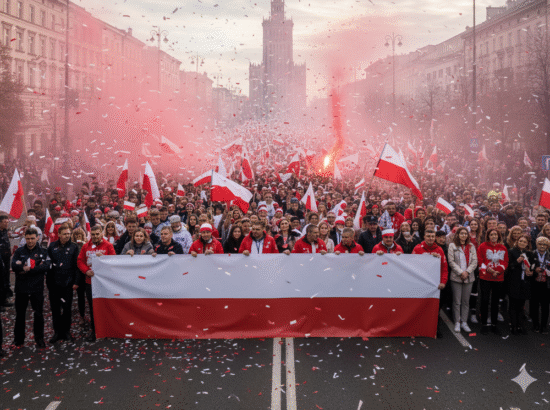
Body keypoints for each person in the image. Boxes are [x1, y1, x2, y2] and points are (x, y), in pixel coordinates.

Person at [12, 228, 51, 347]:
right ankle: (19, 339)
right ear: (25, 238)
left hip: (36, 288)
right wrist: (22, 268)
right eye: (28, 238)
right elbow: (14, 265)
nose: (30, 241)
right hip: (21, 288)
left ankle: (39, 339)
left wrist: (31, 269)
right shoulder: (19, 251)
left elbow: (47, 266)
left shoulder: (43, 251)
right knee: (20, 314)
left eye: (32, 238)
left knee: (38, 314)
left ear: (37, 238)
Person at [77, 225, 116, 342]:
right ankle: (95, 331)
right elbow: (80, 261)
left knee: (106, 306)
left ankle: (108, 330)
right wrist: (86, 271)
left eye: (97, 234)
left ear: (102, 234)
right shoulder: (85, 246)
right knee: (93, 307)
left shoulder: (108, 245)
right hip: (90, 282)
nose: (95, 236)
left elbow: (114, 261)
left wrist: (104, 258)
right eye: (93, 234)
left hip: (104, 282)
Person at [46, 224, 81, 343]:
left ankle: (66, 332)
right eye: (65, 234)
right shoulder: (52, 246)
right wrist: (48, 282)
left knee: (67, 309)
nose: (67, 236)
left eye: (69, 234)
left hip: (68, 283)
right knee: (55, 309)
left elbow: (77, 265)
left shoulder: (74, 247)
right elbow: (48, 264)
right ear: (59, 234)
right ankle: (57, 332)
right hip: (54, 283)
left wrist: (76, 282)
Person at [412, 229, 448, 338]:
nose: (430, 238)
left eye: (432, 236)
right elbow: (412, 265)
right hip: (421, 284)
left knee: (435, 308)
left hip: (435, 285)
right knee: (420, 307)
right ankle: (419, 327)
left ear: (435, 237)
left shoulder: (439, 250)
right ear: (424, 237)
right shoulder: (417, 248)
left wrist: (443, 282)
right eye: (428, 236)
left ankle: (435, 328)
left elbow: (444, 268)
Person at [477, 228, 508, 335]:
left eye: (495, 234)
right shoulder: (482, 246)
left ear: (498, 236)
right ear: (488, 236)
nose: (494, 236)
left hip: (498, 277)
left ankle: (494, 324)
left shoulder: (503, 247)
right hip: (485, 277)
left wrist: (498, 271)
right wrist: (488, 269)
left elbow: (505, 261)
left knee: (495, 301)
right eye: (491, 234)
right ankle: (484, 323)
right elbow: (480, 259)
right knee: (485, 300)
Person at [447, 227, 478, 334]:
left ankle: (464, 322)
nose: (464, 235)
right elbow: (451, 261)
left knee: (466, 301)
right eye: (462, 233)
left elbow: (474, 261)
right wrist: (461, 272)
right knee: (457, 301)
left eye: (465, 233)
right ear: (458, 235)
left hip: (469, 277)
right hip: (456, 277)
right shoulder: (452, 245)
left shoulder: (471, 246)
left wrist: (467, 272)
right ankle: (457, 321)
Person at [506, 234, 534, 335]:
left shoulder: (529, 253)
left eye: (524, 242)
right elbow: (509, 266)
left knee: (521, 305)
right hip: (514, 282)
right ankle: (513, 325)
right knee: (513, 304)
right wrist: (517, 261)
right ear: (517, 241)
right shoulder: (511, 251)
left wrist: (531, 272)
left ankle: (520, 325)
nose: (522, 243)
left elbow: (532, 266)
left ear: (527, 244)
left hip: (524, 282)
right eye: (520, 241)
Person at [531, 236, 550, 334]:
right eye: (540, 244)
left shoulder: (549, 255)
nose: (542, 246)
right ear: (536, 244)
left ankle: (544, 326)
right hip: (534, 283)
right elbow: (528, 267)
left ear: (548, 246)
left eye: (544, 244)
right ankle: (535, 324)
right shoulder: (532, 254)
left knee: (545, 305)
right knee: (534, 304)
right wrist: (535, 270)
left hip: (546, 284)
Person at [71, 227, 87, 326]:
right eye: (76, 235)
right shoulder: (72, 246)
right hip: (78, 274)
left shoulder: (86, 245)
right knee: (80, 297)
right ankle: (82, 315)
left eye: (79, 235)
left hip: (86, 273)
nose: (78, 237)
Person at [0, 214, 13, 308]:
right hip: (0, 260)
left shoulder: (5, 231)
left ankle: (4, 299)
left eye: (8, 222)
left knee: (5, 279)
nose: (7, 224)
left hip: (6, 259)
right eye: (5, 222)